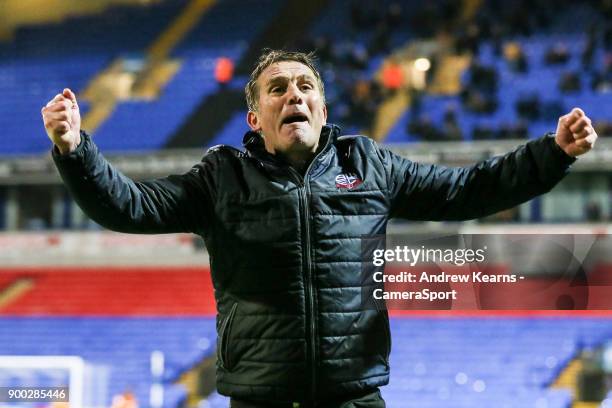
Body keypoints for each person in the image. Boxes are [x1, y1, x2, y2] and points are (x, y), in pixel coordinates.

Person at [41, 50, 597, 408]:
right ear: (255, 118)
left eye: (305, 86)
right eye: (277, 88)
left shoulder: (369, 165)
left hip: (353, 397)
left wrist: (551, 154)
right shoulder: (221, 177)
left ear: (324, 110)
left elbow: (468, 191)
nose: (294, 94)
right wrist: (74, 149)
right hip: (260, 399)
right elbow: (129, 206)